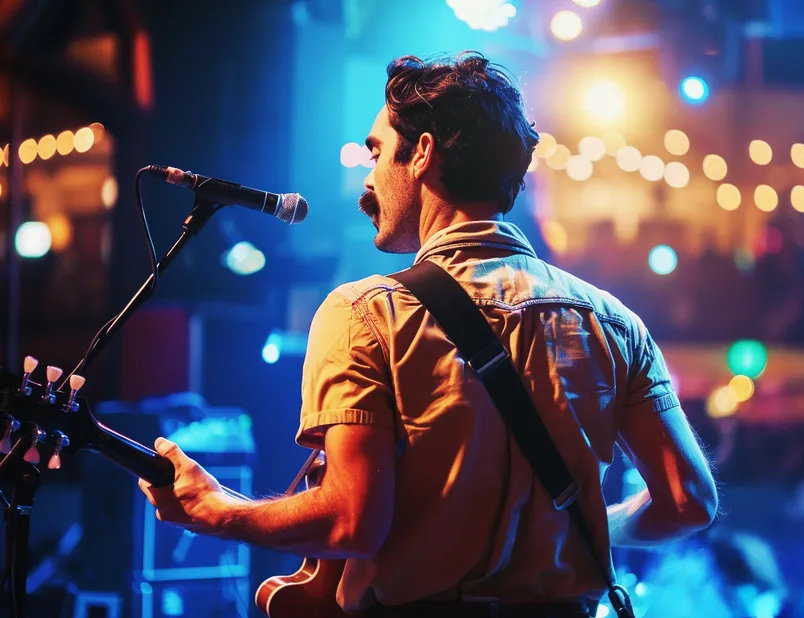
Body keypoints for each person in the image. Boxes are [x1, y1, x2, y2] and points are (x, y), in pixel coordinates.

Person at [138, 51, 718, 617]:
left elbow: (351, 521)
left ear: (421, 153)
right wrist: (583, 521)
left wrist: (216, 510)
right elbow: (689, 502)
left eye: (375, 153)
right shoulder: (612, 321)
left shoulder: (365, 312)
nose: (368, 181)